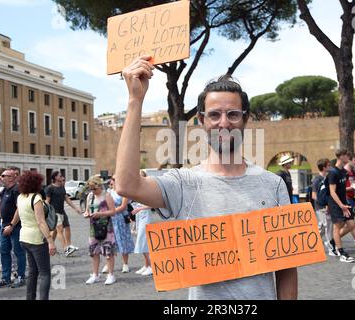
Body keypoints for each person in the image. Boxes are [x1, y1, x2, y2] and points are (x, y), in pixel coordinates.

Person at [115, 56, 297, 300]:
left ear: (245, 119)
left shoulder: (272, 184)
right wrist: (135, 100)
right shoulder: (182, 183)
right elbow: (127, 185)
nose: (223, 123)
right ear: (201, 121)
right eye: (214, 115)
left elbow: (286, 265)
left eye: (233, 114)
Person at [17, 171, 57, 300]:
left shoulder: (21, 197)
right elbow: (41, 222)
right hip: (36, 239)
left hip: (24, 237)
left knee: (32, 272)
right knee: (45, 273)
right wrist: (50, 241)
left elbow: (18, 215)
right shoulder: (36, 198)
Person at [0, 168, 27, 289]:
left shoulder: (16, 190)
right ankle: (6, 278)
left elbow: (19, 209)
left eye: (3, 176)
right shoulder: (6, 189)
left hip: (14, 226)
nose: (0, 177)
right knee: (4, 251)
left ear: (11, 178)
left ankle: (21, 276)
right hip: (4, 225)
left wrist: (12, 225)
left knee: (18, 251)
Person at [83, 176, 116, 285]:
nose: (93, 191)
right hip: (94, 226)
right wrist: (87, 214)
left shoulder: (106, 195)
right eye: (91, 189)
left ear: (100, 186)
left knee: (108, 251)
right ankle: (95, 275)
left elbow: (112, 212)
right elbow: (87, 210)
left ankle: (111, 275)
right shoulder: (90, 196)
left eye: (95, 189)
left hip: (106, 226)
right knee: (94, 251)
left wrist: (100, 214)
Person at [45, 171, 82, 256]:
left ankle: (52, 247)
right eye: (60, 175)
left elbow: (66, 199)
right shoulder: (49, 188)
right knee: (59, 230)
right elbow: (47, 201)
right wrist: (45, 213)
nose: (62, 176)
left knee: (65, 228)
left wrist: (76, 208)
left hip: (62, 211)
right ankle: (66, 249)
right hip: (54, 212)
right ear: (55, 178)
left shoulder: (62, 187)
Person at [103, 176, 134, 274]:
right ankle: (108, 264)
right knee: (109, 242)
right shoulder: (108, 192)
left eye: (114, 179)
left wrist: (111, 211)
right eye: (112, 179)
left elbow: (123, 206)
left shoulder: (123, 192)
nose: (112, 181)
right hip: (110, 219)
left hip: (120, 219)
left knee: (123, 240)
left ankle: (125, 264)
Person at [131, 170, 153, 276]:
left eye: (141, 176)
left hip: (145, 215)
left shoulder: (147, 189)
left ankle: (151, 266)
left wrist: (139, 209)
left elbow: (152, 205)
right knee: (143, 241)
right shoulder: (138, 189)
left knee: (142, 240)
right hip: (139, 215)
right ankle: (146, 265)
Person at [311, 158, 333, 254]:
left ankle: (313, 244)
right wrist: (324, 205)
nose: (330, 167)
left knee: (322, 228)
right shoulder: (317, 180)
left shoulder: (327, 178)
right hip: (321, 208)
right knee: (328, 226)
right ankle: (331, 247)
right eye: (328, 165)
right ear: (324, 167)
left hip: (326, 206)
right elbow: (314, 195)